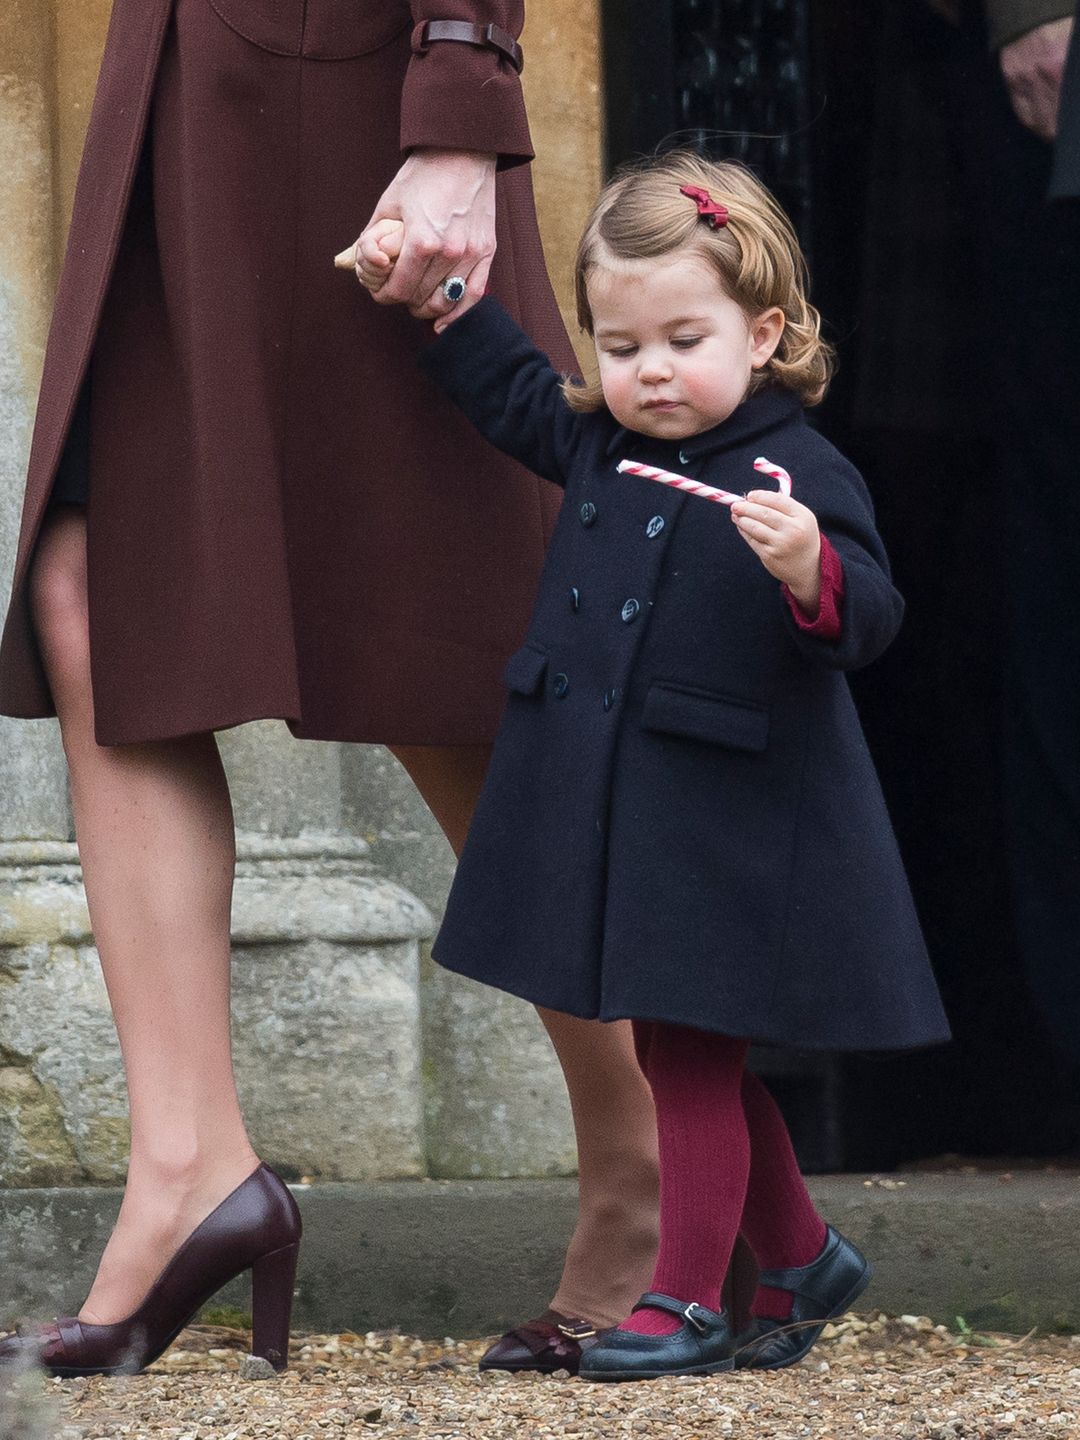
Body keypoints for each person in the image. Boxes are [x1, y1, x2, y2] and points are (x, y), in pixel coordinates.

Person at [0, 1, 663, 1376]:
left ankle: (652, 1158)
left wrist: (461, 90)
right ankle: (188, 1164)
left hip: (356, 94)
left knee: (455, 649)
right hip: (180, 97)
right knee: (96, 604)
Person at [354, 151, 950, 1381]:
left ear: (765, 329)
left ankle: (685, 1297)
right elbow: (521, 398)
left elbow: (873, 615)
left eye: (684, 339)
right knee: (688, 1044)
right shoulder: (599, 441)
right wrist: (443, 301)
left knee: (685, 1050)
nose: (652, 373)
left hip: (731, 821)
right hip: (620, 808)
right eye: (622, 350)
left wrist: (807, 569)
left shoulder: (797, 470)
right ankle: (795, 1252)